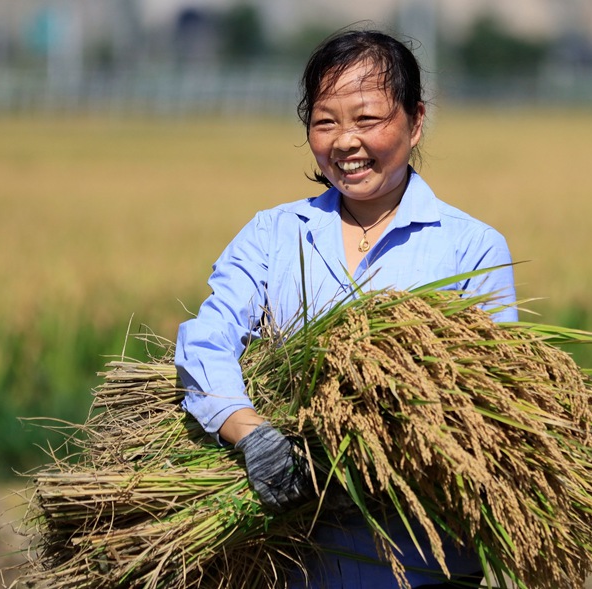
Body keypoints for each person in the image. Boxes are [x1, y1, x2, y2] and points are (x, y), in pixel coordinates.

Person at [175, 28, 518, 588]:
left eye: (367, 119)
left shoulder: (470, 248)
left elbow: (489, 405)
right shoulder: (273, 235)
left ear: (416, 120)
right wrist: (251, 431)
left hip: (422, 565)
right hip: (290, 560)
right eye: (325, 121)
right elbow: (207, 339)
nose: (345, 141)